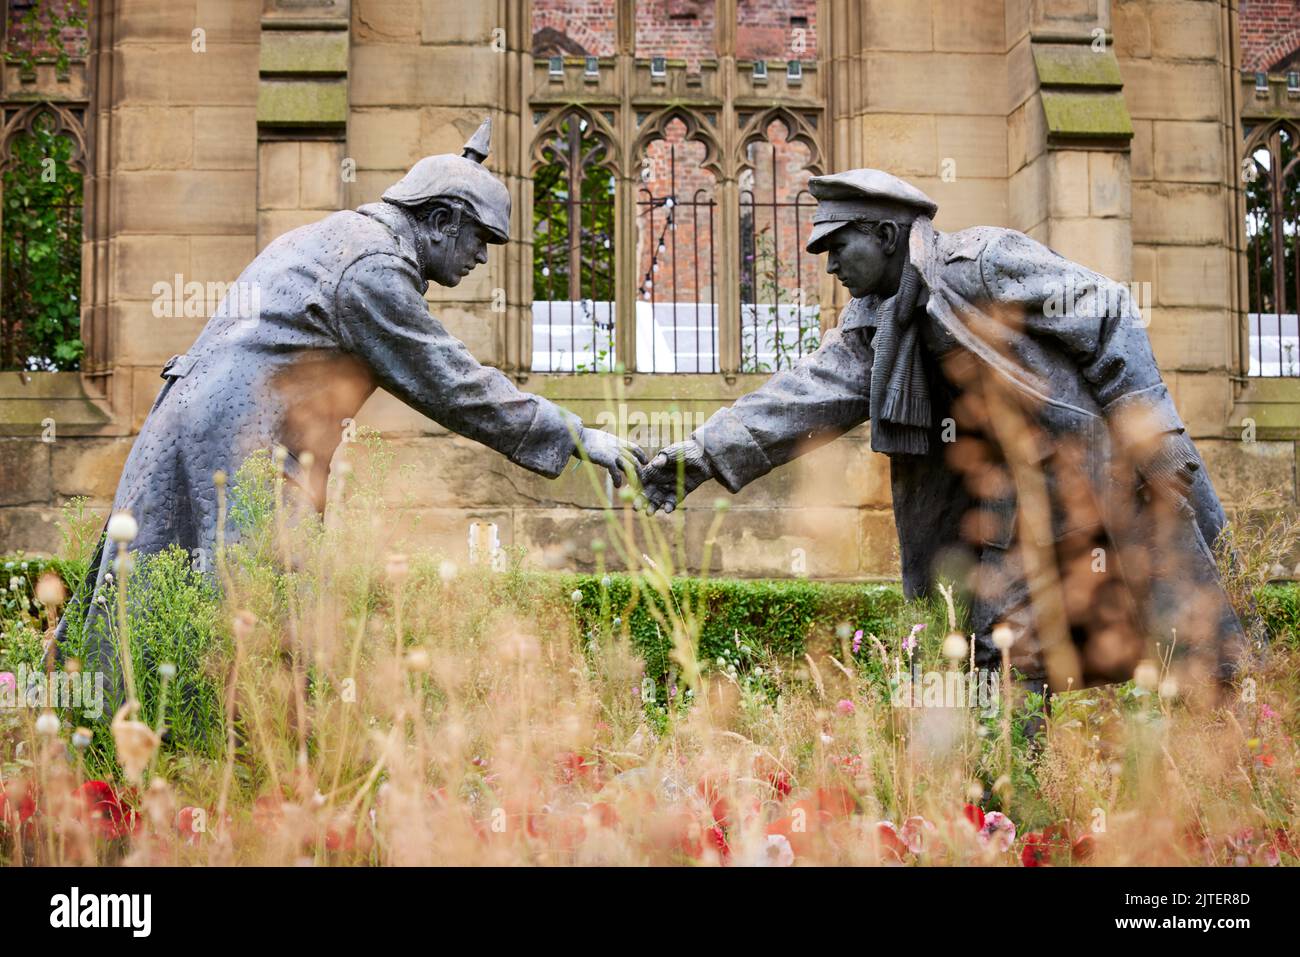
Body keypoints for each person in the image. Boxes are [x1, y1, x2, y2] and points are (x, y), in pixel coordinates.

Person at [60, 118, 644, 693]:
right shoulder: (371, 267)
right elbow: (454, 383)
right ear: (441, 221)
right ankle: (223, 761)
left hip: (199, 428)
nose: (482, 260)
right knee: (254, 618)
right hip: (241, 443)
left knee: (160, 604)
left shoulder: (337, 236)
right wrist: (578, 436)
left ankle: (141, 752)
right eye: (481, 240)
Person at [638, 168, 1245, 696]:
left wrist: (1158, 437)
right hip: (1013, 503)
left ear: (885, 234)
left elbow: (1108, 309)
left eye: (839, 245)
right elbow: (802, 396)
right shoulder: (878, 318)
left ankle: (1222, 782)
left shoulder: (981, 261)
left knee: (1196, 647)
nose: (830, 265)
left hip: (1093, 481)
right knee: (1001, 651)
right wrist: (698, 456)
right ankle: (1007, 812)